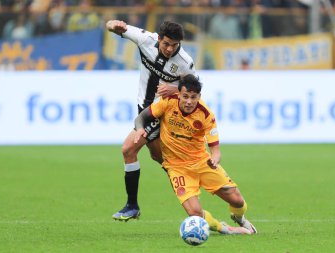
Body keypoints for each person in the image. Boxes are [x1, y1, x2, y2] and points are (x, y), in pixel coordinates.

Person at [133, 74, 257, 234]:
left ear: (199, 96)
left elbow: (216, 150)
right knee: (195, 213)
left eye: (193, 97)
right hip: (176, 167)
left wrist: (214, 159)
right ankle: (225, 228)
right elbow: (140, 118)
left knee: (237, 201)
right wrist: (140, 129)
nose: (189, 101)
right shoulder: (168, 102)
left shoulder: (206, 115)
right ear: (179, 94)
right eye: (185, 96)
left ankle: (240, 218)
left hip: (202, 162)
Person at [106, 19, 196, 221]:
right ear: (159, 39)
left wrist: (175, 89)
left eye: (174, 45)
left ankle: (132, 206)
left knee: (128, 149)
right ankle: (188, 186)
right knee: (160, 158)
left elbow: (196, 88)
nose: (170, 49)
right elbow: (113, 25)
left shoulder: (184, 61)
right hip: (143, 108)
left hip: (160, 112)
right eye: (166, 44)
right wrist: (113, 25)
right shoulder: (145, 40)